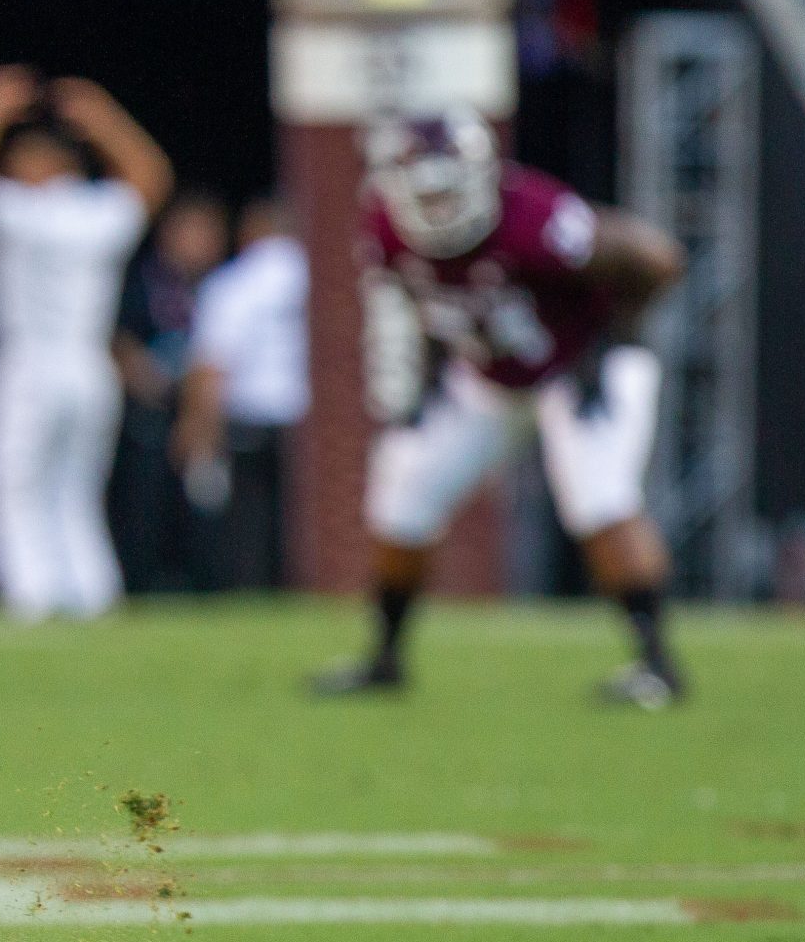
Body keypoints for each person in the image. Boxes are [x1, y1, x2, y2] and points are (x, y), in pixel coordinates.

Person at [315, 108, 688, 706]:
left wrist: (608, 349)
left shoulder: (537, 220)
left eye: (445, 190)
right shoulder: (385, 228)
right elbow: (425, 301)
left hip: (579, 366)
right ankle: (384, 660)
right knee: (403, 493)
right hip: (487, 376)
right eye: (421, 193)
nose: (434, 206)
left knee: (599, 498)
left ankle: (658, 667)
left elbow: (657, 259)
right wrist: (430, 375)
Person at [0, 66, 172, 620]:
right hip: (90, 366)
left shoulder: (23, 211)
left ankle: (31, 594)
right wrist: (103, 115)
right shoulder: (97, 214)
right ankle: (90, 591)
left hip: (29, 362)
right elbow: (151, 176)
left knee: (10, 483)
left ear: (43, 167)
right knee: (77, 489)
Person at [172, 197, 309, 590]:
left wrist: (197, 429)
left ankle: (254, 590)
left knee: (249, 519)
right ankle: (303, 588)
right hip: (307, 419)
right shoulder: (323, 277)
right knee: (304, 516)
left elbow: (212, 365)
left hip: (250, 417)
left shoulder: (234, 283)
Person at [111, 192, 229, 592]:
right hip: (151, 413)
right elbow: (119, 338)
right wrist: (148, 384)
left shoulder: (227, 285)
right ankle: (143, 585)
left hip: (213, 415)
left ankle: (204, 587)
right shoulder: (142, 281)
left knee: (206, 505)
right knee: (146, 503)